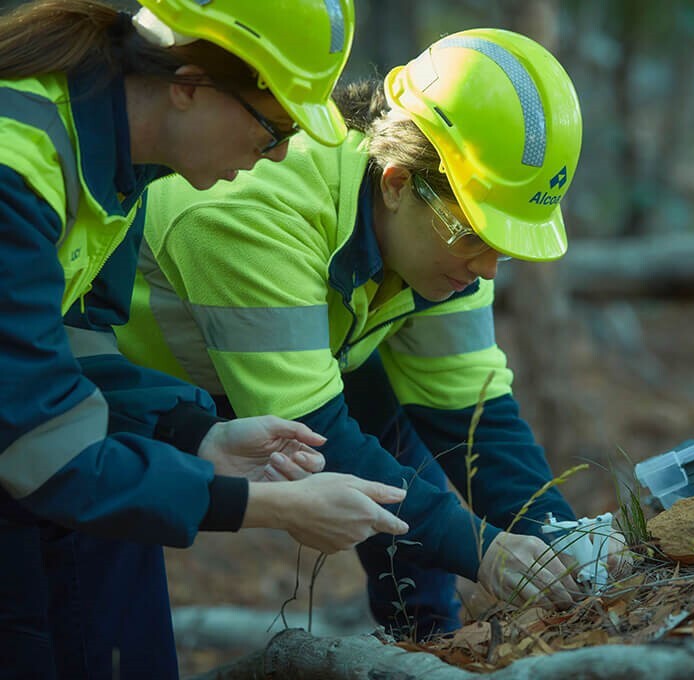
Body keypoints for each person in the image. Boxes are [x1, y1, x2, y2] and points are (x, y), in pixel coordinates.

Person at [117, 28, 586, 639]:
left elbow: (474, 416)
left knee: (400, 453)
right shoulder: (249, 210)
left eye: (504, 245)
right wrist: (487, 551)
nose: (488, 268)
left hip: (301, 375)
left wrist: (564, 538)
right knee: (101, 622)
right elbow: (313, 437)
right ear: (396, 183)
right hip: (126, 398)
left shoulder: (449, 236)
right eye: (476, 236)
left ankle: (427, 648)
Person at [0, 1, 411, 678]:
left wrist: (196, 435)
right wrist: (266, 506)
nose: (280, 153)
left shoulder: (117, 154)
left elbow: (77, 354)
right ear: (189, 84)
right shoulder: (20, 168)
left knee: (115, 540)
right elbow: (43, 453)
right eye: (273, 125)